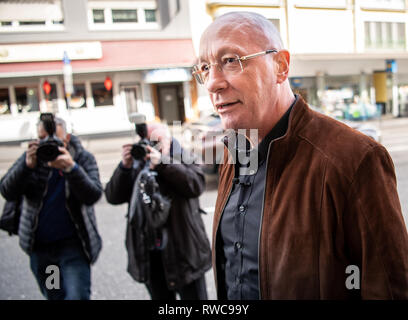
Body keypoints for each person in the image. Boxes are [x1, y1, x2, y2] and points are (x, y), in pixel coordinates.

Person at [194, 11, 408, 299]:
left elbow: (389, 287)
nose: (212, 83)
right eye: (205, 68)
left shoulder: (354, 158)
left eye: (231, 61)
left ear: (280, 66)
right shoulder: (231, 154)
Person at [105, 122, 211, 300]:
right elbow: (112, 196)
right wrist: (125, 167)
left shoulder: (182, 156)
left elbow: (196, 185)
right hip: (151, 255)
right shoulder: (138, 162)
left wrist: (163, 165)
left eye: (158, 141)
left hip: (185, 254)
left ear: (169, 140)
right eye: (149, 141)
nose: (153, 146)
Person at [0, 116, 103, 300]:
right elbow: (7, 191)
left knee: (77, 295)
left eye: (56, 141)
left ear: (68, 138)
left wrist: (72, 169)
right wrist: (26, 167)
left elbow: (93, 195)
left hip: (73, 248)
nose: (49, 145)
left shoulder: (81, 157)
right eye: (43, 139)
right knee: (55, 295)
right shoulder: (32, 158)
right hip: (43, 252)